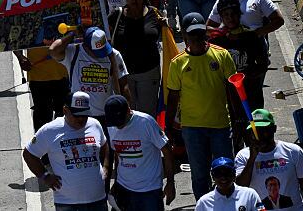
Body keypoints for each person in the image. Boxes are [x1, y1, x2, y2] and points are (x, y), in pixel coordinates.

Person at [165, 13, 238, 200]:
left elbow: (233, 92)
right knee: (199, 176)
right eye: (192, 34)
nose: (197, 38)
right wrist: (169, 128)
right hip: (192, 129)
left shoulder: (222, 56)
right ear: (186, 37)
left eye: (200, 33)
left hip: (220, 126)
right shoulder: (177, 63)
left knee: (226, 172)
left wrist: (238, 120)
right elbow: (173, 98)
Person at [22, 91, 109, 211]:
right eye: (77, 115)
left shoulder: (95, 125)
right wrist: (45, 176)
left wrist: (106, 166)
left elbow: (104, 145)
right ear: (65, 110)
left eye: (85, 115)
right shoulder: (50, 130)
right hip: (67, 203)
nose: (81, 119)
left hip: (98, 199)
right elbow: (29, 154)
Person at [105, 95, 176, 210]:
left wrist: (170, 183)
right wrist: (117, 182)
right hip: (124, 188)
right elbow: (118, 154)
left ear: (128, 110)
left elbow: (167, 152)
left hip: (149, 190)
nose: (119, 125)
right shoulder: (111, 126)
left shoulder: (146, 122)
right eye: (115, 123)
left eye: (121, 121)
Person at [234, 108, 303, 209]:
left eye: (263, 130)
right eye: (255, 131)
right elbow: (240, 187)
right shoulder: (243, 156)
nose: (259, 136)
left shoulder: (294, 151)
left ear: (274, 128)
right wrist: (252, 159)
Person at [107, 0, 164, 117]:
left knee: (147, 115)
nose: (135, 0)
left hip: (149, 73)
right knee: (126, 114)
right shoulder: (116, 16)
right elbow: (106, 41)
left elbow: (166, 39)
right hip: (123, 75)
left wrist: (166, 27)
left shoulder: (155, 14)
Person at [50, 26, 130, 121]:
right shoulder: (73, 52)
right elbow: (53, 50)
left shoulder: (113, 54)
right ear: (85, 45)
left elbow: (124, 85)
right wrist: (73, 34)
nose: (101, 54)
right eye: (97, 51)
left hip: (107, 115)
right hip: (80, 116)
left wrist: (127, 110)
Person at [195, 157, 264, 211]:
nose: (223, 177)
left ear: (234, 175)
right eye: (218, 174)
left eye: (227, 173)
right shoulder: (203, 202)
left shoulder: (249, 195)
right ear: (213, 177)